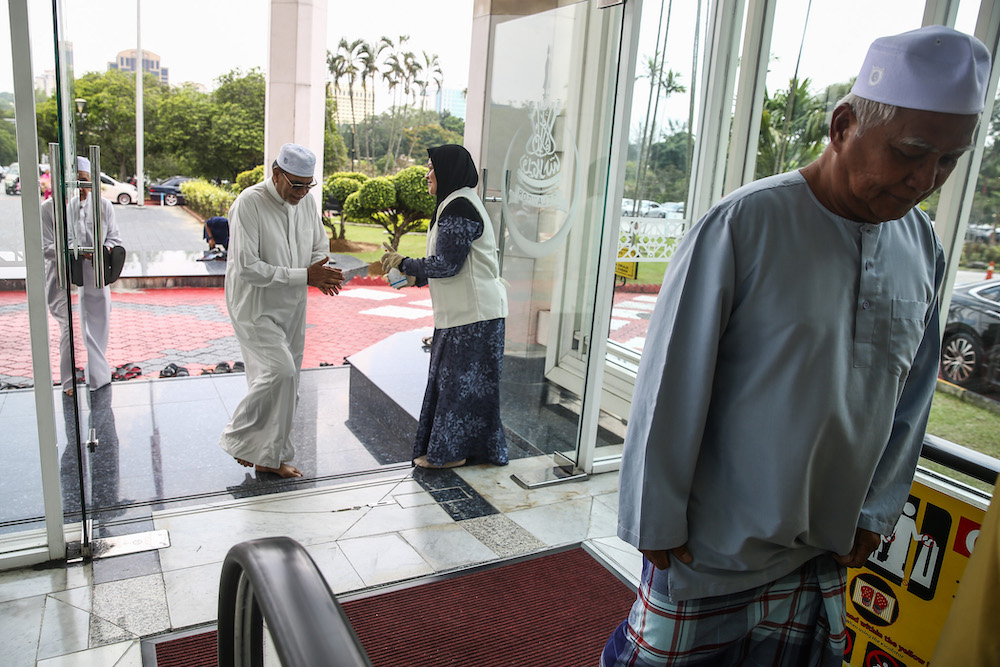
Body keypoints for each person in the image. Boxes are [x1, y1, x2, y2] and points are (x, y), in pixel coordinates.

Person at [602, 25, 990, 667]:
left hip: (824, 549)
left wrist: (878, 509)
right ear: (842, 126)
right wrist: (653, 520)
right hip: (711, 547)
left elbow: (912, 397)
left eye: (946, 161)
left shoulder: (921, 246)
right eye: (910, 152)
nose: (926, 178)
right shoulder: (744, 225)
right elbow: (671, 381)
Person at [218, 143, 343, 478]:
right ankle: (240, 439)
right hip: (254, 305)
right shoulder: (250, 202)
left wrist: (320, 271)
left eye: (308, 185)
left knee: (290, 383)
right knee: (280, 372)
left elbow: (319, 243)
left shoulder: (306, 201)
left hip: (293, 304)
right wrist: (306, 275)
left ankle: (270, 457)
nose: (301, 193)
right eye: (295, 185)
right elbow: (247, 267)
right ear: (276, 173)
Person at [380, 144, 509, 469]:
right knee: (461, 387)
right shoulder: (457, 203)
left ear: (448, 171)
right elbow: (455, 264)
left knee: (458, 388)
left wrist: (405, 263)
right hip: (470, 316)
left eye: (431, 167)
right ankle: (471, 451)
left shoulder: (460, 206)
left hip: (474, 318)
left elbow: (448, 264)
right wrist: (412, 278)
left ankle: (451, 454)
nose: (427, 174)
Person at [40, 156, 122, 397]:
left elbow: (114, 239)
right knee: (69, 328)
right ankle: (68, 383)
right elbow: (45, 247)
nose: (81, 187)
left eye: (85, 181)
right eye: (75, 182)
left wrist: (101, 251)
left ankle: (97, 376)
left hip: (94, 277)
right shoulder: (50, 209)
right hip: (62, 277)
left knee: (98, 324)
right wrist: (76, 253)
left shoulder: (103, 206)